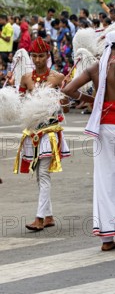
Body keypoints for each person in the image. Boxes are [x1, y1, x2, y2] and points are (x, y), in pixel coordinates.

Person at [62, 31, 115, 251]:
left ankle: (108, 239)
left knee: (106, 182)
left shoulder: (94, 68)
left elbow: (68, 90)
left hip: (102, 128)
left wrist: (92, 100)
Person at [14, 38, 70, 231]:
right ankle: (49, 216)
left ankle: (39, 218)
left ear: (48, 56)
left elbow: (67, 107)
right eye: (34, 56)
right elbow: (19, 105)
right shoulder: (25, 78)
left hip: (49, 132)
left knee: (44, 174)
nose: (37, 60)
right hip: (32, 132)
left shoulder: (57, 77)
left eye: (41, 56)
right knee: (39, 176)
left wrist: (60, 101)